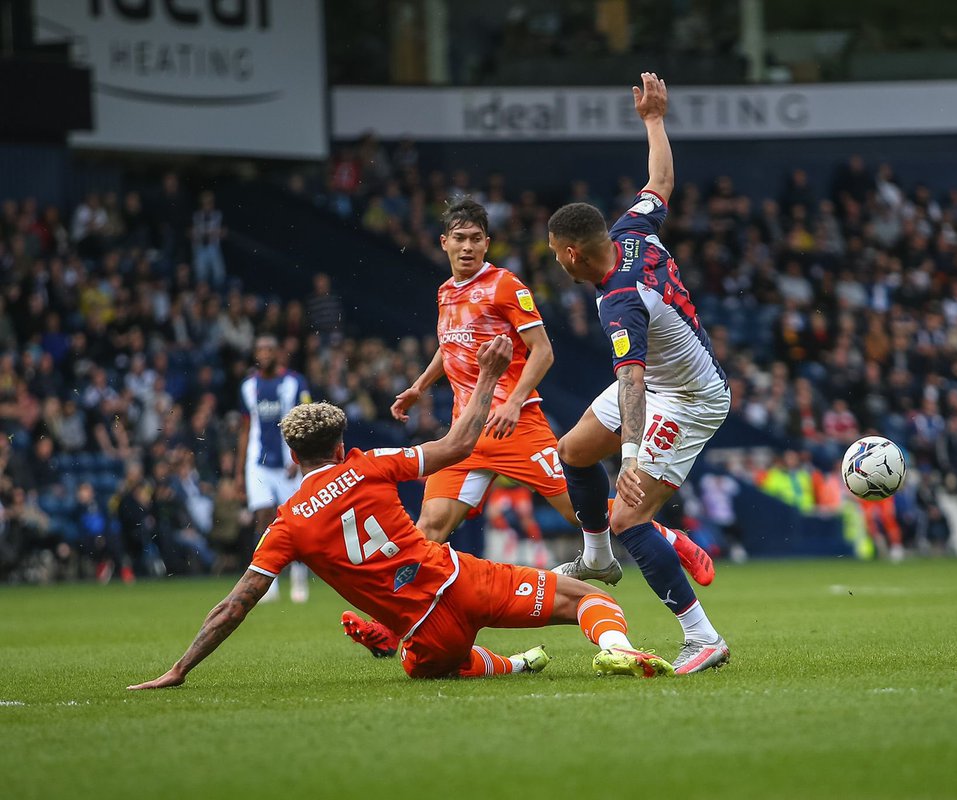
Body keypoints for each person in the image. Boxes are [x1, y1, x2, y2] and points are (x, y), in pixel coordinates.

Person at [128, 337, 675, 689]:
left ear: (293, 458)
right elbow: (459, 446)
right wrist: (486, 377)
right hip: (460, 582)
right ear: (341, 446)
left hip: (424, 633)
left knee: (437, 664)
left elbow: (234, 606)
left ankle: (514, 662)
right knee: (591, 597)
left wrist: (180, 669)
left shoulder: (287, 524)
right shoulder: (370, 465)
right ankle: (617, 650)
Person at [342, 198, 713, 658]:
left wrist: (515, 401)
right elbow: (450, 343)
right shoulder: (445, 292)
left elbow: (543, 350)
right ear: (443, 243)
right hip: (465, 434)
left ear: (487, 243)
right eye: (459, 238)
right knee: (428, 531)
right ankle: (392, 627)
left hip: (514, 428)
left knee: (586, 515)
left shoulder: (504, 286)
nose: (467, 247)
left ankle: (666, 536)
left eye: (476, 238)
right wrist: (420, 385)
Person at [544, 72, 730, 674]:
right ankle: (596, 559)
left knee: (628, 513)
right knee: (571, 452)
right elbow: (661, 182)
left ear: (573, 252)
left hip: (688, 397)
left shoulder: (619, 300)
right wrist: (654, 120)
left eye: (554, 255)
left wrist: (628, 460)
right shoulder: (629, 231)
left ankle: (701, 635)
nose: (556, 264)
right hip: (658, 384)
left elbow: (630, 381)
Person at [236, 335, 312, 602]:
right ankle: (270, 582)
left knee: (296, 522)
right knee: (263, 519)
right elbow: (246, 428)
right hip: (258, 463)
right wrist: (238, 472)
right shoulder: (247, 386)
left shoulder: (294, 382)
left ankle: (299, 576)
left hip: (289, 463)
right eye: (260, 349)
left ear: (277, 352)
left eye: (269, 348)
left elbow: (306, 421)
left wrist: (299, 457)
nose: (265, 353)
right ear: (256, 353)